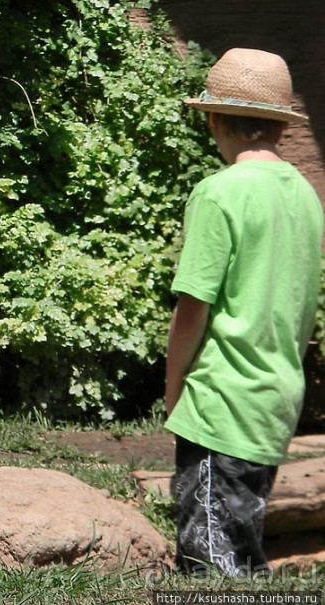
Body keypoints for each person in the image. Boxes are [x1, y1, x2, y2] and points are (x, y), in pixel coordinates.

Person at [164, 47, 323, 576]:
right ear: (280, 125)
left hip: (222, 401)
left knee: (212, 569)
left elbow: (193, 306)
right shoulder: (305, 195)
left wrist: (173, 388)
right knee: (242, 551)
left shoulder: (218, 193)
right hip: (276, 400)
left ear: (212, 118)